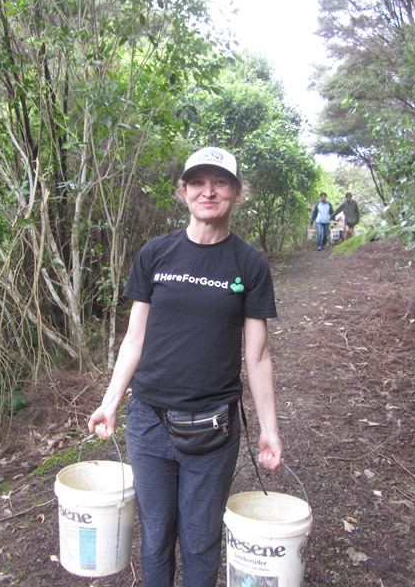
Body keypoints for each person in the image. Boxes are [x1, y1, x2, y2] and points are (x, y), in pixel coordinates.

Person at [88, 147, 283, 587]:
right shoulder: (156, 253)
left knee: (199, 540)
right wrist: (110, 402)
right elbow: (134, 338)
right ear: (184, 191)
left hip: (213, 427)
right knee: (156, 537)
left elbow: (257, 356)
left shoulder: (249, 264)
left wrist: (269, 429)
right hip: (148, 422)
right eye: (198, 182)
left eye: (220, 183)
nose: (208, 192)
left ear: (237, 192)